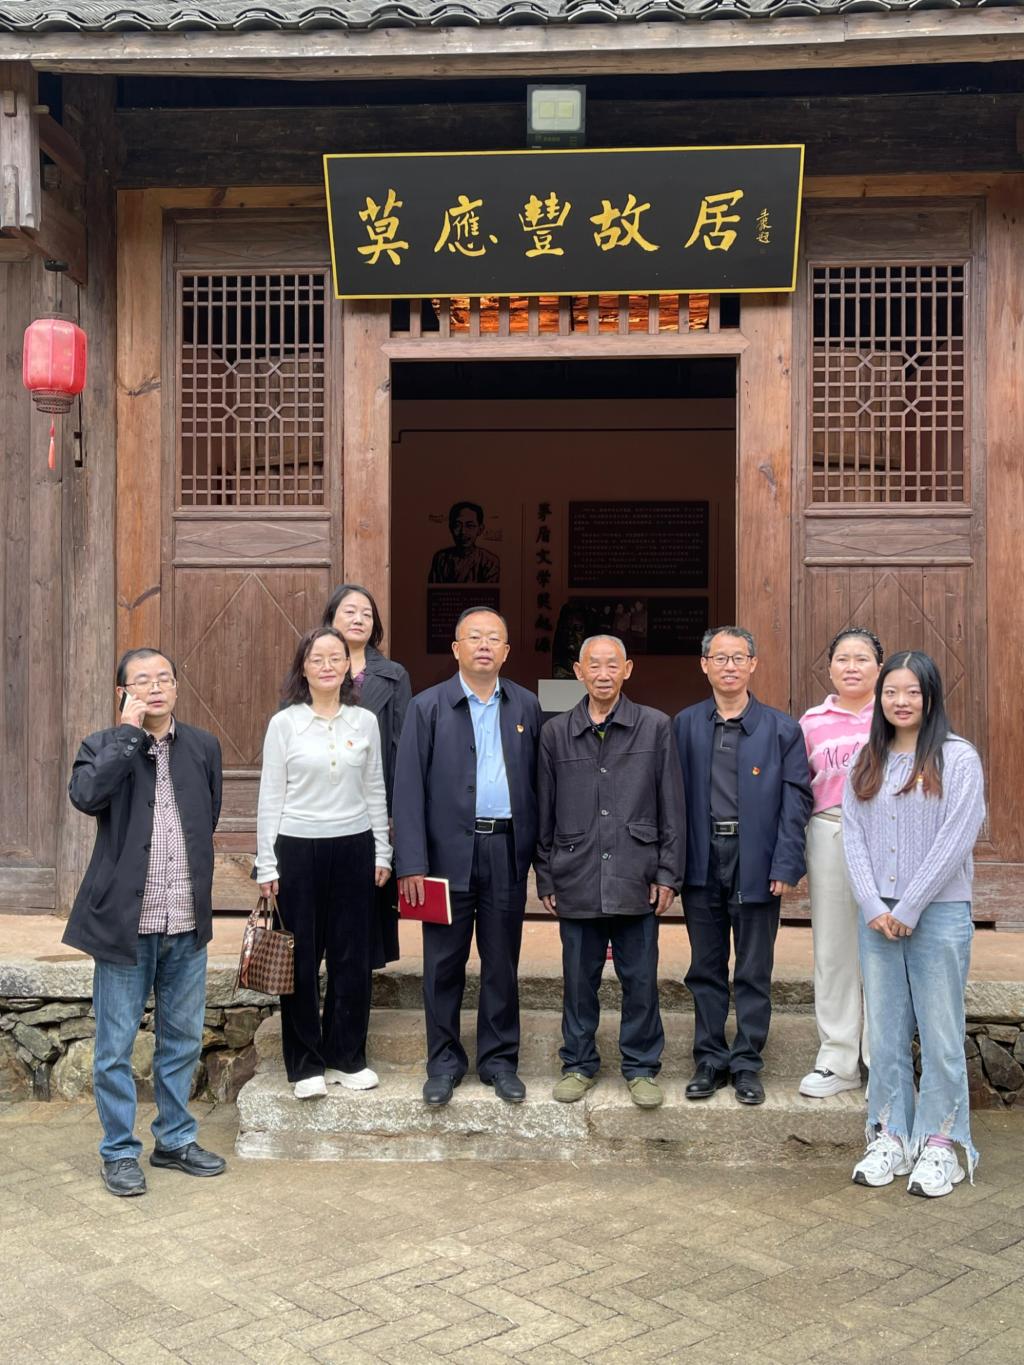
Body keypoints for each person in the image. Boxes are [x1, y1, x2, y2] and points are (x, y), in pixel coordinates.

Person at [65, 648, 225, 1197]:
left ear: (177, 687)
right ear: (123, 693)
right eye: (141, 681)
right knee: (114, 1048)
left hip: (185, 920)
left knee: (181, 1041)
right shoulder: (102, 746)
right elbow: (87, 796)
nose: (155, 687)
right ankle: (118, 1152)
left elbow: (208, 816)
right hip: (125, 927)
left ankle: (175, 1140)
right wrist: (128, 735)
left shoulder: (203, 746)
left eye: (163, 679)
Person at [842, 652, 985, 1197]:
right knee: (885, 1033)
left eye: (912, 692)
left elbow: (956, 838)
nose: (900, 702)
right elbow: (852, 835)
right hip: (877, 917)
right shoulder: (867, 758)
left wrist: (910, 906)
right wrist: (872, 903)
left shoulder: (957, 757)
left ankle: (942, 1143)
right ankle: (890, 1136)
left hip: (938, 913)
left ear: (931, 697)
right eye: (891, 692)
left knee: (942, 1033)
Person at [394, 607, 541, 1106]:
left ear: (506, 651)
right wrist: (411, 863)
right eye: (473, 637)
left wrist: (539, 858)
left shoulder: (525, 706)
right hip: (444, 857)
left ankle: (499, 1062)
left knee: (502, 961)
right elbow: (407, 790)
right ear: (456, 648)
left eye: (493, 638)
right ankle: (443, 1063)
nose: (484, 645)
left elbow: (539, 784)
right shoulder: (427, 706)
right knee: (443, 963)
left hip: (505, 850)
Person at [536, 636, 686, 1109]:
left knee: (639, 978)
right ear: (578, 671)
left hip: (635, 872)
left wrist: (668, 873)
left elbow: (672, 807)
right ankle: (578, 1063)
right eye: (594, 665)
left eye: (612, 665)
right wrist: (546, 876)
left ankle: (641, 1067)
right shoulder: (555, 733)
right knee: (578, 979)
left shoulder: (655, 727)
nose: (603, 674)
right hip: (576, 870)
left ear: (628, 669)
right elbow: (544, 811)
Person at [673, 626, 813, 1106]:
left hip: (756, 858)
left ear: (753, 664)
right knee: (705, 966)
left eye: (738, 657)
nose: (729, 666)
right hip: (701, 857)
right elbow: (669, 798)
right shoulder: (685, 725)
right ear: (704, 665)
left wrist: (786, 863)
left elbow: (797, 801)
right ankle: (710, 1059)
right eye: (720, 657)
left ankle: (747, 1061)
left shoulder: (781, 729)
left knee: (754, 968)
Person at [255, 627, 391, 1101]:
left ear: (349, 667)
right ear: (304, 668)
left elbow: (375, 789)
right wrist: (266, 863)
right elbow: (270, 796)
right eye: (318, 659)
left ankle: (346, 1057)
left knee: (352, 957)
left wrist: (382, 850)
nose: (328, 665)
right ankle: (305, 1065)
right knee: (302, 958)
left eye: (336, 657)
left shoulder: (364, 722)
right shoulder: (285, 724)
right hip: (297, 848)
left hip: (354, 846)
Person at [797, 627, 883, 1098]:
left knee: (883, 945)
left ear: (880, 668)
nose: (852, 667)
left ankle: (882, 1061)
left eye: (862, 658)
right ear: (829, 669)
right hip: (829, 831)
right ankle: (837, 1059)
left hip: (887, 837)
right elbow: (799, 786)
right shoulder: (811, 722)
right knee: (833, 949)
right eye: (843, 659)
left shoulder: (894, 715)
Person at [322, 582, 411, 968]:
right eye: (349, 611)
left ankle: (353, 988)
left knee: (361, 912)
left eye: (367, 614)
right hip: (317, 807)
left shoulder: (393, 676)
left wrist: (393, 813)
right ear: (331, 619)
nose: (359, 619)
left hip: (370, 809)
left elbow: (402, 747)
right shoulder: (315, 668)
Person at [428, 501, 501, 584]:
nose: (463, 532)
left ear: (480, 529)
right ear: (451, 528)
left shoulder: (489, 561)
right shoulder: (441, 558)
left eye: (470, 525)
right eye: (457, 525)